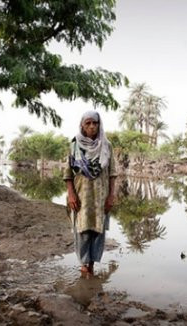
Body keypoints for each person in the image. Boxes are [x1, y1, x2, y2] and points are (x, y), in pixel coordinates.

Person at [63, 110, 117, 276]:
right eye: (88, 123)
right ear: (82, 125)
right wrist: (71, 194)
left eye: (95, 123)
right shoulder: (74, 146)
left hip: (101, 196)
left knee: (97, 230)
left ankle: (91, 264)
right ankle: (84, 264)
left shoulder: (106, 146)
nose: (92, 126)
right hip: (81, 196)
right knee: (83, 230)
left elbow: (112, 173)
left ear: (99, 125)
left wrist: (111, 195)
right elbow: (67, 174)